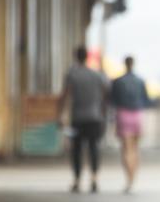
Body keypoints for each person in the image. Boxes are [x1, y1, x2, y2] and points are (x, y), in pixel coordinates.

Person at [57, 46, 108, 193]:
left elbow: (65, 96)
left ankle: (77, 180)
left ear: (76, 57)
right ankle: (94, 178)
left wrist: (60, 114)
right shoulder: (97, 75)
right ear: (87, 57)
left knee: (77, 150)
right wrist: (103, 115)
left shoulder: (72, 75)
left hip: (78, 118)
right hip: (95, 117)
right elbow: (105, 96)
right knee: (94, 148)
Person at [110, 56, 151, 194]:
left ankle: (129, 179)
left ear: (125, 64)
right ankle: (133, 178)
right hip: (138, 115)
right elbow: (146, 100)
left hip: (123, 114)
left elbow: (112, 100)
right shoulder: (140, 81)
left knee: (126, 150)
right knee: (135, 149)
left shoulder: (117, 81)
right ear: (133, 64)